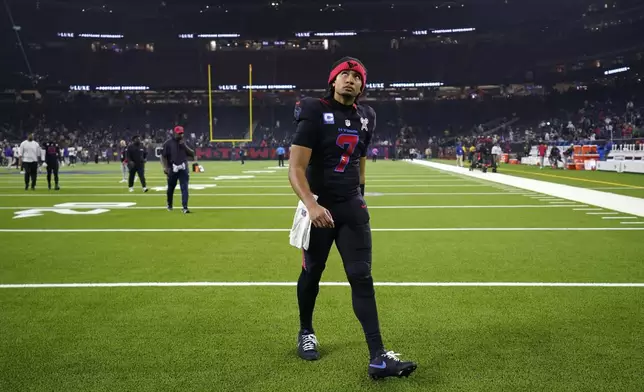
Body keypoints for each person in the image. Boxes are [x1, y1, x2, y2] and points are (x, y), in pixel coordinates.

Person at [288, 57, 417, 380]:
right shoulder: (314, 109)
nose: (350, 80)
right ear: (332, 81)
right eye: (344, 74)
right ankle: (306, 330)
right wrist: (311, 206)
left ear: (363, 86)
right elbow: (296, 168)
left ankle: (378, 357)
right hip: (319, 207)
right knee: (313, 272)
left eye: (357, 77)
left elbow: (359, 159)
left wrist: (361, 193)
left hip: (350, 207)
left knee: (362, 277)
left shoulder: (366, 116)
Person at [162, 126, 195, 213]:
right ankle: (169, 204)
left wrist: (184, 146)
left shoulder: (185, 142)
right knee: (171, 188)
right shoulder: (168, 143)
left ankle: (185, 207)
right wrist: (165, 168)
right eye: (179, 133)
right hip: (172, 168)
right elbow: (163, 156)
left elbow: (192, 153)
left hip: (183, 168)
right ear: (174, 133)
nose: (180, 135)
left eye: (181, 133)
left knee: (184, 188)